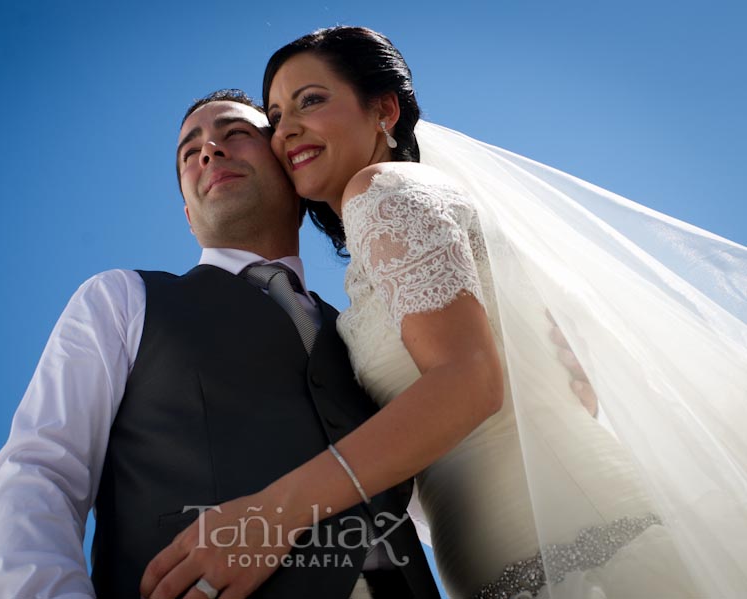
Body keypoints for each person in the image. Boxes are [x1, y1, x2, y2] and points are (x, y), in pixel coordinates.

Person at [144, 26, 747, 599]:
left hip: (587, 556)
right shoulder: (396, 234)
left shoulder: (382, 191)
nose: (288, 130)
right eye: (276, 119)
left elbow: (469, 383)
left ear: (384, 111)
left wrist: (270, 517)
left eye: (310, 100)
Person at [0, 90, 443, 599]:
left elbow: (431, 500)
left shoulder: (367, 334)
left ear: (291, 164)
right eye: (189, 151)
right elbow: (39, 472)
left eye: (236, 134)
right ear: (188, 213)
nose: (209, 151)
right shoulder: (122, 299)